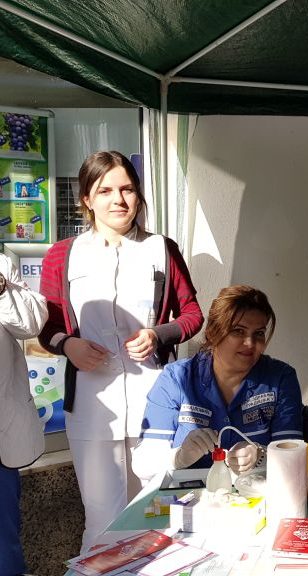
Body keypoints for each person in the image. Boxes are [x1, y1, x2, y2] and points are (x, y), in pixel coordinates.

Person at [38, 151, 204, 550]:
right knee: (103, 522)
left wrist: (159, 334)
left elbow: (193, 314)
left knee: (158, 514)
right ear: (86, 198)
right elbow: (46, 327)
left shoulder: (161, 249)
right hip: (93, 407)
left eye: (127, 189)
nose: (119, 199)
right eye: (105, 190)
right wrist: (68, 344)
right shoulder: (63, 254)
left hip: (155, 404)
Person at [132, 285, 303, 480]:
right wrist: (179, 457)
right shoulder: (176, 379)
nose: (250, 343)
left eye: (259, 333)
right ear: (213, 333)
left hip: (253, 494)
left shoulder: (280, 378)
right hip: (188, 497)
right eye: (238, 331)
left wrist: (261, 456)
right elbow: (142, 465)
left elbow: (294, 457)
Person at [0, 253, 47, 576]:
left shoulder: (2, 266)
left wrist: (2, 288)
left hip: (1, 436)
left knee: (4, 541)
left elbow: (31, 324)